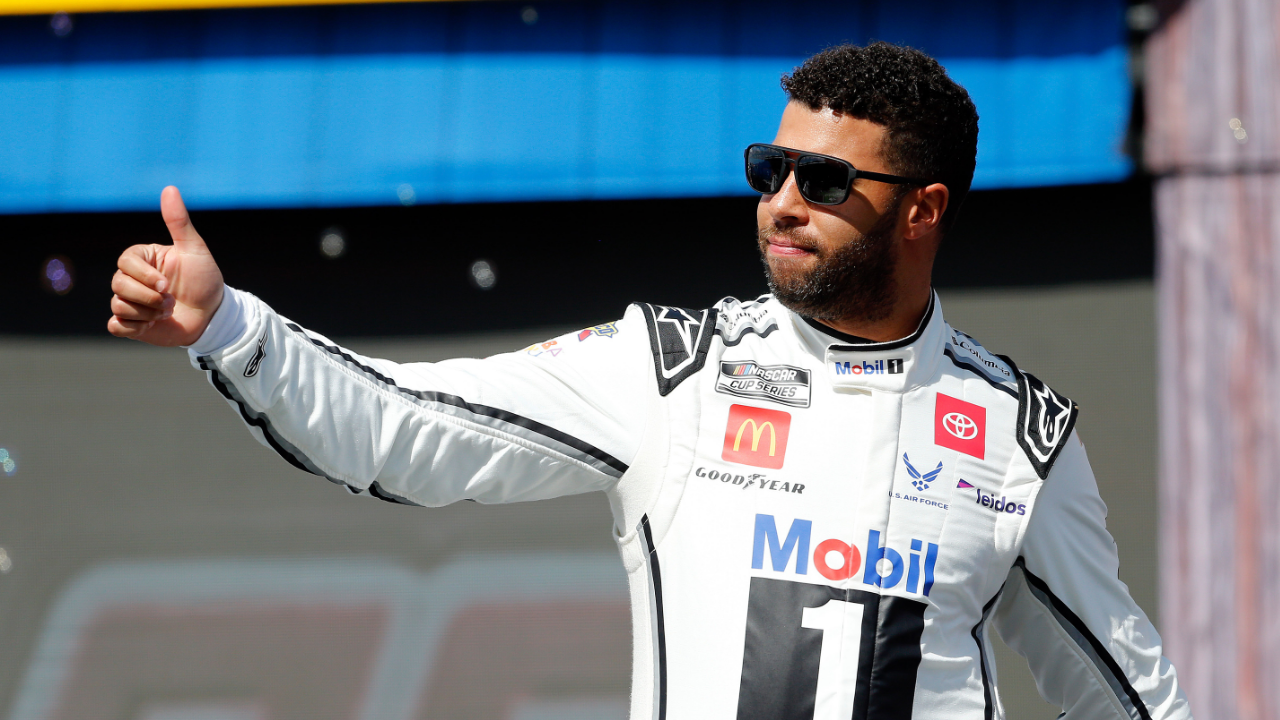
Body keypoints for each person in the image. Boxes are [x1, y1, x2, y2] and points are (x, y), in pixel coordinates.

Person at [107, 43, 1192, 720]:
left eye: (823, 181)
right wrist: (230, 325)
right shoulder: (676, 368)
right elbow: (401, 430)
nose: (781, 202)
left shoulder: (1017, 432)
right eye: (769, 171)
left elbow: (1123, 691)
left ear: (923, 210)